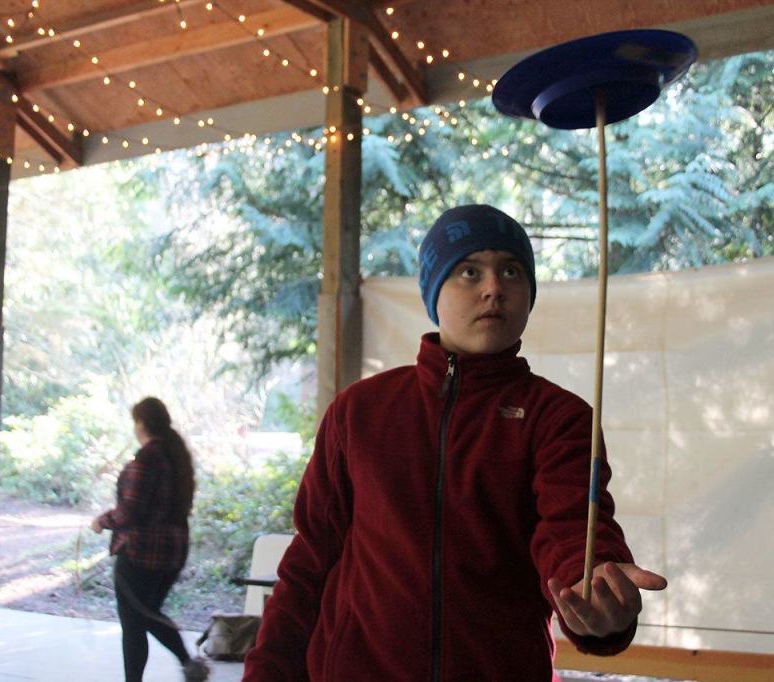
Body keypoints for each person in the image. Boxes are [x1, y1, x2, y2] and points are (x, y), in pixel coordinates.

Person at [242, 204, 667, 681]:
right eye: (469, 271)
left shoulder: (559, 418)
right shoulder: (358, 411)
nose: (494, 288)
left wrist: (594, 587)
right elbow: (309, 562)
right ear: (433, 290)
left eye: (511, 271)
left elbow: (574, 530)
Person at [92, 396, 209, 682]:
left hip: (140, 553)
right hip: (172, 552)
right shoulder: (173, 457)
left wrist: (102, 521)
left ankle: (183, 666)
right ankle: (189, 665)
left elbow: (130, 511)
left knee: (135, 622)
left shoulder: (146, 459)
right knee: (146, 614)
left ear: (141, 423)